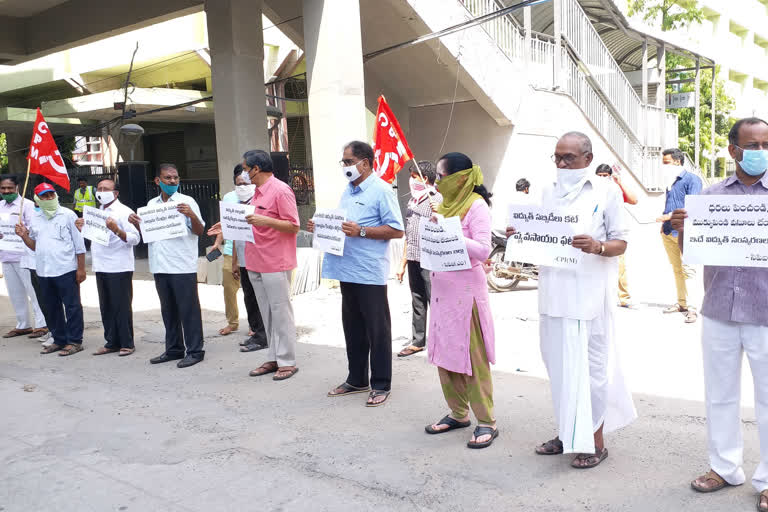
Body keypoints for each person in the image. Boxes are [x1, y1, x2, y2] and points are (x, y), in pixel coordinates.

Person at [509, 132, 636, 468]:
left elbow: (620, 243)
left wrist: (597, 247)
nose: (562, 164)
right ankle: (568, 433)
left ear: (588, 159)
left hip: (589, 298)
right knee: (560, 368)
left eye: (569, 158)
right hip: (553, 295)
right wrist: (519, 236)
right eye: (558, 157)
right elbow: (541, 235)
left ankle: (594, 442)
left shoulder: (607, 192)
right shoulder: (547, 191)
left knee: (591, 372)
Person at [670, 117, 768, 511]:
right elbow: (690, 251)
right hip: (719, 308)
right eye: (752, 144)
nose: (760, 151)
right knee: (721, 396)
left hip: (765, 312)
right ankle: (725, 467)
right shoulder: (709, 197)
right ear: (733, 150)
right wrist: (682, 229)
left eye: (765, 144)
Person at [307, 141, 404, 406]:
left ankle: (381, 383)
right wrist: (322, 226)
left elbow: (396, 230)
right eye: (344, 162)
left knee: (377, 329)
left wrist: (361, 230)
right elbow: (343, 226)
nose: (346, 167)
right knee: (353, 327)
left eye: (349, 162)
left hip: (369, 270)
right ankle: (357, 378)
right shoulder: (348, 192)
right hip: (345, 268)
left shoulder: (382, 190)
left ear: (365, 163)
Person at [423, 153, 498, 449]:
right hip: (443, 292)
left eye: (442, 177)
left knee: (472, 360)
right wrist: (436, 224)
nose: (438, 183)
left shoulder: (476, 206)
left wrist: (448, 229)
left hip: (466, 295)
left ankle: (487, 421)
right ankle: (458, 413)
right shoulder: (443, 205)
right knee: (446, 356)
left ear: (461, 179)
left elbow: (483, 249)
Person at [128, 163, 206, 368]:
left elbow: (199, 231)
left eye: (176, 178)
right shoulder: (151, 205)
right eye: (168, 178)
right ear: (158, 181)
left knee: (188, 310)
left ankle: (195, 350)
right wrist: (137, 223)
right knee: (168, 310)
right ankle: (174, 349)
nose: (172, 181)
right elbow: (148, 235)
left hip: (181, 265)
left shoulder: (187, 202)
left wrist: (191, 215)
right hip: (160, 265)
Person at [240, 150, 300, 381]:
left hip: (276, 260)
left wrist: (265, 220)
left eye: (246, 169)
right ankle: (274, 356)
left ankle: (287, 360)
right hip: (255, 259)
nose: (244, 174)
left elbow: (293, 225)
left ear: (256, 169)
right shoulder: (255, 193)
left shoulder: (281, 190)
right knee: (267, 312)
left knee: (280, 311)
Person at [15, 182, 86, 356]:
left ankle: (75, 341)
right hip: (44, 271)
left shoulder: (68, 215)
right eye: (44, 196)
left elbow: (79, 245)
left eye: (51, 195)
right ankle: (59, 339)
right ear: (37, 201)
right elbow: (34, 246)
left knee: (72, 306)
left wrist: (81, 269)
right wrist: (24, 235)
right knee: (51, 306)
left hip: (66, 269)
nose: (49, 199)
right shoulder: (35, 219)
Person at [75, 178, 140, 357]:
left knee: (121, 306)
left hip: (119, 266)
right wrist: (82, 228)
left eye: (106, 189)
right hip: (101, 265)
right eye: (99, 188)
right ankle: (111, 341)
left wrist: (117, 230)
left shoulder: (124, 212)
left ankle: (127, 342)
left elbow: (135, 239)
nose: (101, 191)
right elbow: (94, 236)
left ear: (116, 193)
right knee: (106, 306)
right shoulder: (97, 212)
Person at [207, 165, 268, 352]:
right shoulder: (231, 200)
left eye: (245, 182)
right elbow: (233, 231)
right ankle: (255, 332)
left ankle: (264, 334)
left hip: (261, 256)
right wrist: (233, 259)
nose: (242, 186)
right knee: (247, 295)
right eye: (238, 183)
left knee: (261, 296)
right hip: (240, 254)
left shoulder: (262, 199)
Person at [395, 160, 442, 358]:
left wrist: (439, 213)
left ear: (427, 179)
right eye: (411, 177)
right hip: (414, 257)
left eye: (415, 177)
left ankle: (442, 341)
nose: (411, 181)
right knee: (417, 300)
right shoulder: (412, 201)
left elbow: (444, 227)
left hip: (431, 260)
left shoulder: (436, 199)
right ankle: (418, 341)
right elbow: (409, 233)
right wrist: (402, 263)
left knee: (436, 301)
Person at [0, 175, 47, 339]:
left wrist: (23, 231)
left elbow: (34, 230)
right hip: (6, 255)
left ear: (17, 188)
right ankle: (23, 324)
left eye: (9, 188)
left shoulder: (26, 205)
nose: (6, 191)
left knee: (33, 292)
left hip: (25, 256)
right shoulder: (0, 206)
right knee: (15, 293)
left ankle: (42, 324)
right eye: (3, 188)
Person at [658, 148, 701, 322]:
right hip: (668, 231)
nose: (663, 166)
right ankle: (681, 303)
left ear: (677, 161)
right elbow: (670, 203)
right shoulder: (671, 182)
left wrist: (669, 216)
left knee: (689, 270)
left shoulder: (692, 179)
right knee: (677, 269)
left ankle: (693, 308)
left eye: (666, 162)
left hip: (685, 231)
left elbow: (695, 205)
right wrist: (664, 223)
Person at [595, 164, 638, 308]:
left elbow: (633, 200)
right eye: (599, 176)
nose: (601, 178)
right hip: (596, 233)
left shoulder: (614, 190)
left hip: (614, 234)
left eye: (604, 176)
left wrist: (619, 182)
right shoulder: (591, 189)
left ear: (610, 176)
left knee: (620, 266)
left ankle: (624, 298)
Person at [211, 165, 245, 338]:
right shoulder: (228, 198)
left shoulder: (257, 197)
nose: (244, 186)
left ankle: (257, 324)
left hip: (249, 251)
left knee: (253, 289)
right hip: (230, 250)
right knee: (229, 288)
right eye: (240, 182)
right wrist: (218, 243)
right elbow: (225, 223)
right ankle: (232, 323)